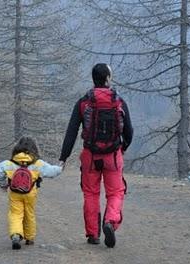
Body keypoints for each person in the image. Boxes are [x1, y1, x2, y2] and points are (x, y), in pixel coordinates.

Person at [59, 63, 133, 248]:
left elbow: (71, 132)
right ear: (107, 78)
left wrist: (64, 157)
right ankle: (110, 221)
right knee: (116, 192)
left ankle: (93, 234)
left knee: (91, 194)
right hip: (113, 156)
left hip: (90, 156)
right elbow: (129, 131)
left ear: (94, 79)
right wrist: (123, 147)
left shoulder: (84, 102)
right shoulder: (119, 101)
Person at [0, 136, 62, 250]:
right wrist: (61, 167)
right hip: (31, 193)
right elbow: (52, 172)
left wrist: (3, 185)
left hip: (15, 193)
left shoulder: (8, 163)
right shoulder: (37, 163)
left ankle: (16, 234)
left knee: (15, 213)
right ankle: (29, 238)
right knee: (29, 213)